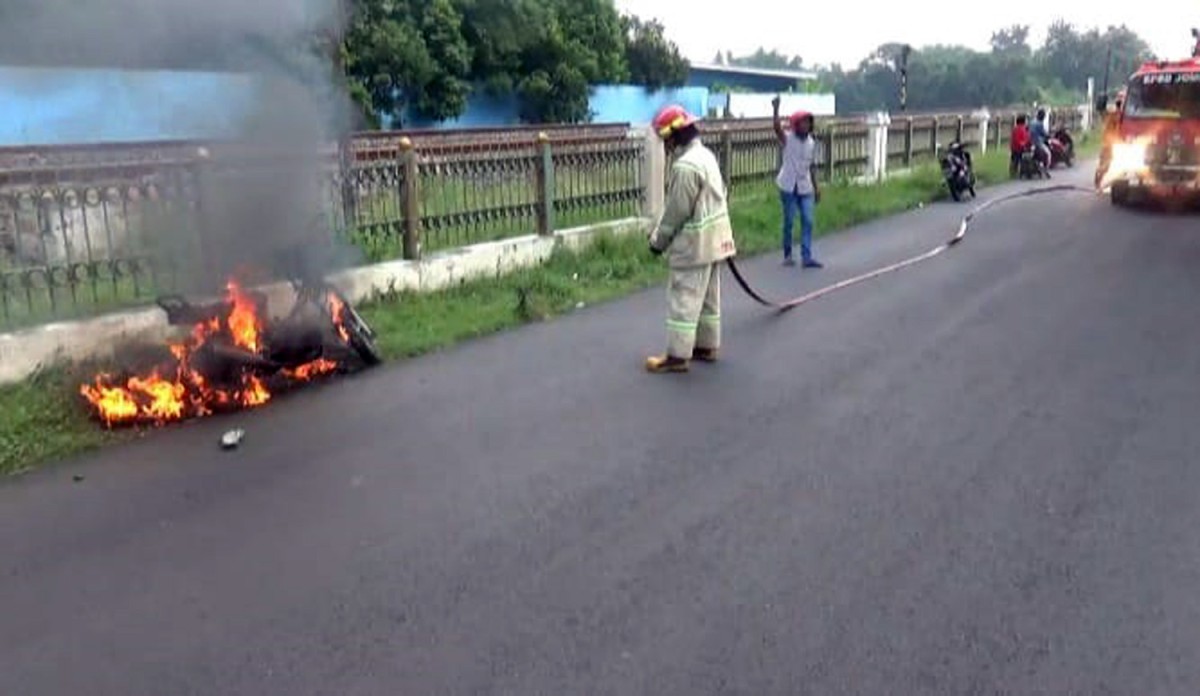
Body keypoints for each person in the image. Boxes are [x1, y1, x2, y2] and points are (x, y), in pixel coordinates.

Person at [644, 104, 738, 375]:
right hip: (716, 241)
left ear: (674, 136)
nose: (666, 146)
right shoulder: (705, 155)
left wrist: (657, 242)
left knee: (683, 298)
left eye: (666, 140)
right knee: (708, 297)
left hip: (694, 245)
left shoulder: (685, 166)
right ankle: (706, 346)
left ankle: (677, 355)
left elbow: (676, 212)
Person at [772, 96, 823, 269]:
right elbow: (777, 128)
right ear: (795, 125)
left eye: (808, 123)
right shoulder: (788, 139)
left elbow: (812, 166)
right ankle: (787, 254)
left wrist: (817, 188)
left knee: (808, 220)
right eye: (803, 123)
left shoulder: (811, 143)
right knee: (789, 221)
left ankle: (806, 256)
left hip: (805, 186)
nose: (806, 126)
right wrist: (776, 110)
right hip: (788, 186)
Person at [1095, 89, 1125, 188]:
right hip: (1109, 144)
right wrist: (1102, 101)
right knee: (1105, 165)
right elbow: (1101, 112)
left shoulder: (1125, 115)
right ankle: (1098, 182)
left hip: (1120, 144)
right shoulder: (1112, 114)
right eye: (1119, 102)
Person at [1030, 108, 1052, 175]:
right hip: (1038, 143)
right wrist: (1049, 136)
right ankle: (1046, 170)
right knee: (1048, 154)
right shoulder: (1040, 124)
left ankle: (1039, 166)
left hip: (1030, 142)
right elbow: (1043, 134)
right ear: (1042, 116)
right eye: (1044, 116)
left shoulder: (1032, 122)